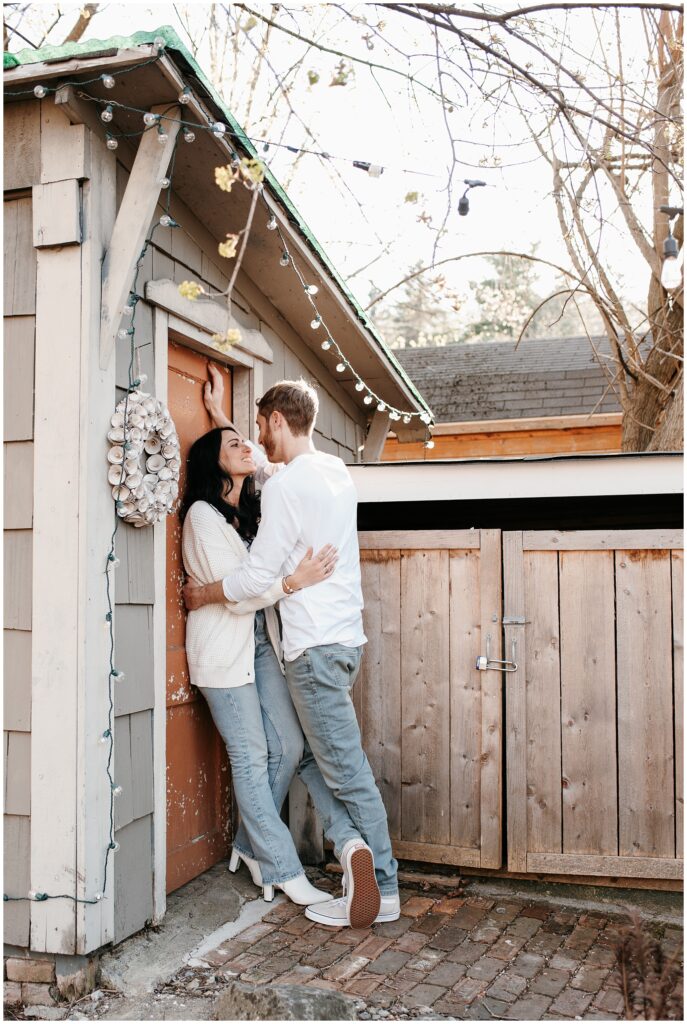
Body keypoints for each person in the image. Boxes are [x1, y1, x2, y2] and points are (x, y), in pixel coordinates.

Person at [183, 368, 399, 929]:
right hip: (345, 640)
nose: (256, 442)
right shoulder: (332, 471)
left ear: (277, 421)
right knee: (314, 756)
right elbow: (263, 457)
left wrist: (203, 592)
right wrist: (223, 420)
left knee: (345, 772)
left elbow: (255, 577)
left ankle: (385, 883)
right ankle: (351, 856)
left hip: (311, 649)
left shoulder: (282, 489)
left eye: (260, 427)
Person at [180, 416, 338, 907]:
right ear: (214, 460)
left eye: (246, 440)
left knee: (289, 746)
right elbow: (236, 595)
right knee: (250, 758)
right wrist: (292, 582)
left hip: (260, 644)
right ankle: (280, 866)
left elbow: (269, 455)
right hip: (223, 651)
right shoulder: (201, 518)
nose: (246, 446)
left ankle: (250, 846)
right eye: (233, 443)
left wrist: (221, 414)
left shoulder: (250, 511)